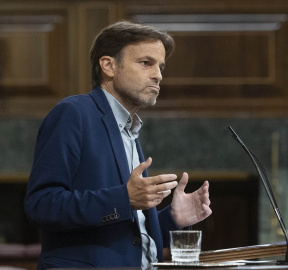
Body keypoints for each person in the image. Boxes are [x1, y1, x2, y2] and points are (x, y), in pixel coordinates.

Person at [24, 20, 212, 269]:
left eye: (161, 66)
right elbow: (42, 205)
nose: (158, 75)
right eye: (146, 63)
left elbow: (131, 234)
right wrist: (124, 198)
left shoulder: (129, 128)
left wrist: (172, 219)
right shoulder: (74, 114)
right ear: (109, 65)